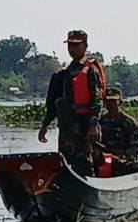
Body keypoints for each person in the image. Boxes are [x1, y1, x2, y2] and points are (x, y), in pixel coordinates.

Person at [37, 29, 106, 176]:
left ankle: (89, 188)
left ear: (85, 46)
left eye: (76, 45)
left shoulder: (90, 70)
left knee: (84, 164)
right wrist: (44, 125)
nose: (72, 49)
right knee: (64, 163)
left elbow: (97, 99)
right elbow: (53, 103)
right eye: (70, 45)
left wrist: (93, 125)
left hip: (84, 127)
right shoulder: (65, 73)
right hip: (66, 128)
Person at [98, 87, 138, 162]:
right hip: (105, 159)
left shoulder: (129, 122)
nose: (111, 104)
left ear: (120, 102)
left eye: (114, 101)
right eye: (108, 101)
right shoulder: (100, 121)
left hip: (124, 160)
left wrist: (124, 156)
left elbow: (136, 147)